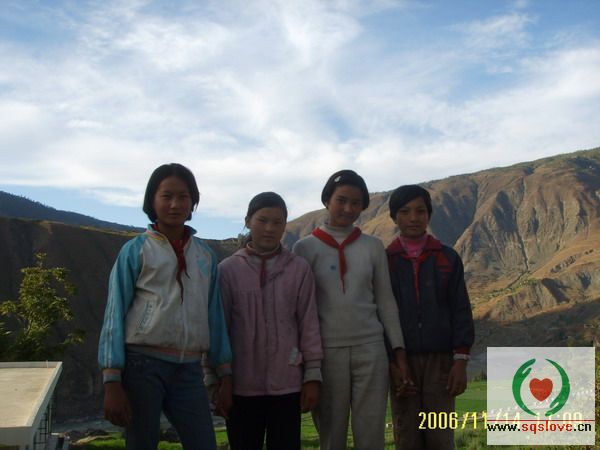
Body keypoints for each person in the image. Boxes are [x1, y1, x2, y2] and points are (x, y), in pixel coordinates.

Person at [98, 163, 232, 450]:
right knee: (142, 443)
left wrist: (225, 373)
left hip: (189, 369)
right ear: (152, 201)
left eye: (183, 196)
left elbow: (214, 316)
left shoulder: (205, 256)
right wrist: (112, 380)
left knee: (203, 443)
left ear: (193, 202)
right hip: (141, 366)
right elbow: (114, 313)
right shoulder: (136, 250)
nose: (175, 204)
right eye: (166, 196)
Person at [293, 169, 410, 450]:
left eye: (356, 203)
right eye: (341, 200)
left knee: (371, 435)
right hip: (326, 353)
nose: (348, 209)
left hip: (371, 350)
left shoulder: (373, 247)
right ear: (327, 200)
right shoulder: (304, 249)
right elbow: (300, 310)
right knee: (331, 436)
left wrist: (398, 350)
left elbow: (385, 301)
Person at [215, 192, 323, 450]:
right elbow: (218, 330)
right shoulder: (227, 270)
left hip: (287, 385)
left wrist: (312, 375)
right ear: (247, 221)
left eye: (277, 222)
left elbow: (308, 323)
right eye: (262, 220)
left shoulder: (298, 269)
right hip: (240, 386)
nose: (269, 228)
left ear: (285, 225)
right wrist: (218, 379)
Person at [386, 185, 475, 450]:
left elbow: (461, 309)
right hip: (402, 363)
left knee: (440, 436)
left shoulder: (447, 257)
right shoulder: (385, 260)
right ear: (393, 217)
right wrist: (392, 363)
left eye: (420, 211)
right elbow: (380, 314)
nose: (413, 218)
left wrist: (460, 360)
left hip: (441, 361)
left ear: (429, 214)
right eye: (405, 212)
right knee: (407, 436)